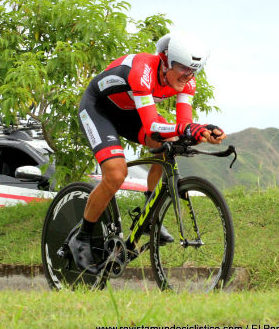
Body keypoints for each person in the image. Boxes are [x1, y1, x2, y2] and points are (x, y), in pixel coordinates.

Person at [69, 32, 227, 274]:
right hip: (98, 109)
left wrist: (202, 131)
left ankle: (149, 215)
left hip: (130, 112)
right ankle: (81, 237)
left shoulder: (188, 83)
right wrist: (188, 129)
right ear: (165, 61)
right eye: (184, 68)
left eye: (194, 70)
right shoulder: (142, 71)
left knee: (170, 144)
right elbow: (153, 125)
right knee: (115, 174)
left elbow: (183, 125)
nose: (188, 76)